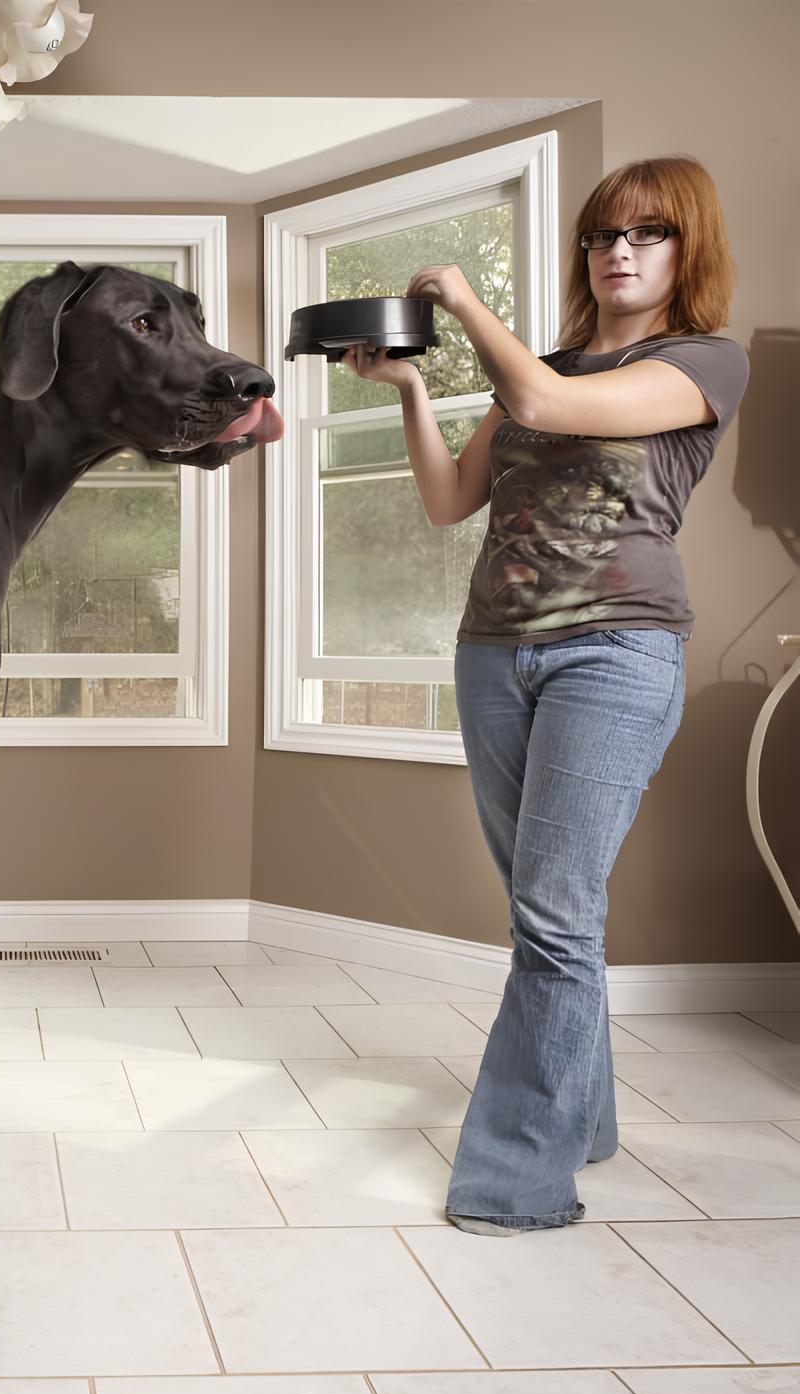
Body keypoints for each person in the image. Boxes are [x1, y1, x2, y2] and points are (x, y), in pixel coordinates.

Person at [343, 155, 749, 1233]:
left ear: (684, 251)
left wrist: (464, 301)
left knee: (553, 915)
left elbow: (544, 400)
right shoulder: (547, 361)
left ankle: (515, 1182)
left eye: (646, 233)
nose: (617, 251)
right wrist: (414, 388)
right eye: (601, 235)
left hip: (613, 654)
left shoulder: (704, 361)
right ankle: (585, 1117)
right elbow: (447, 500)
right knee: (549, 917)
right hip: (493, 652)